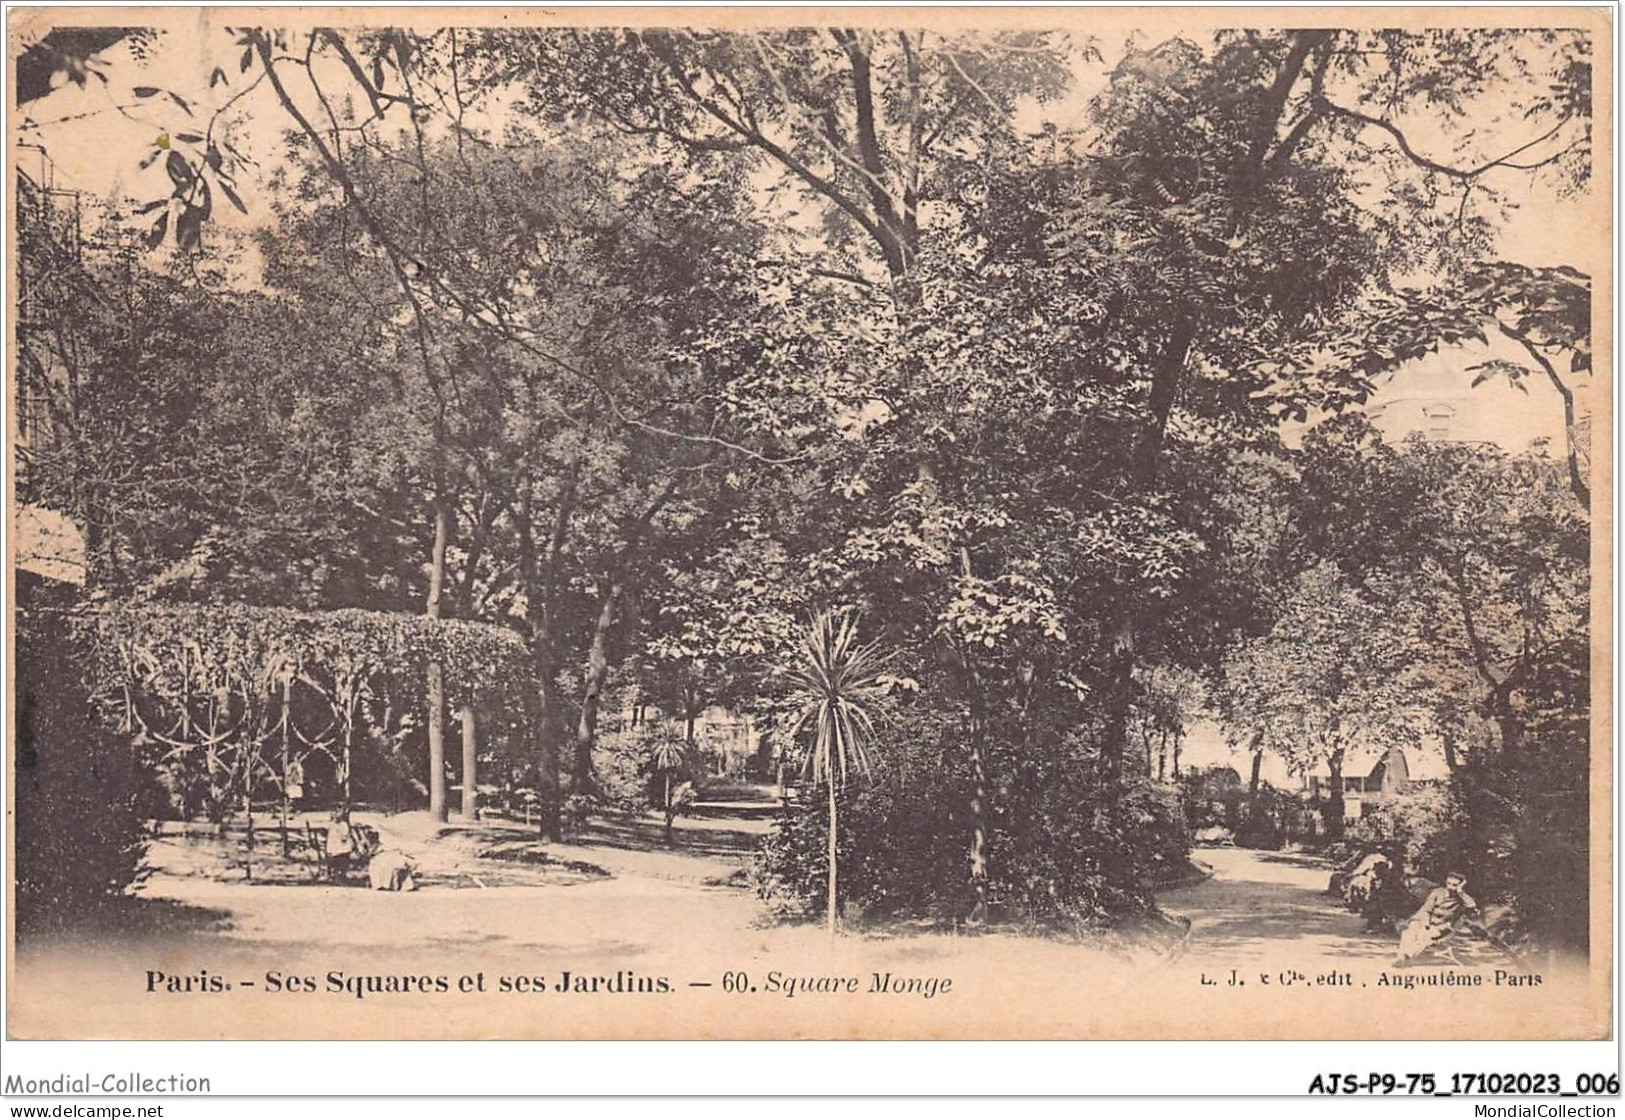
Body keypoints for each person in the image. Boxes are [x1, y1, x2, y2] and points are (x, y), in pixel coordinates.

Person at [1395, 871, 1478, 965]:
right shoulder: (1438, 892)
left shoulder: (1461, 898)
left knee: (1424, 936)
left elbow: (1472, 906)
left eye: (1454, 885)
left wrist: (1460, 891)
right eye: (1448, 883)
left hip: (1442, 926)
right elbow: (1426, 909)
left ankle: (1407, 958)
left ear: (1461, 885)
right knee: (1408, 931)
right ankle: (1401, 958)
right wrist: (1425, 923)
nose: (1450, 887)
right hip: (1426, 921)